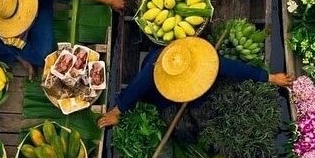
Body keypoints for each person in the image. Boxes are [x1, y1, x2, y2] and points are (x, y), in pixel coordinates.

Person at [97, 37, 293, 128]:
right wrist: (116, 112)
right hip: (161, 96)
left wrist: (271, 78)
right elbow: (134, 90)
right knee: (181, 126)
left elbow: (237, 69)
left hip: (196, 91)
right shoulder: (152, 73)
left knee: (204, 108)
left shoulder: (205, 62)